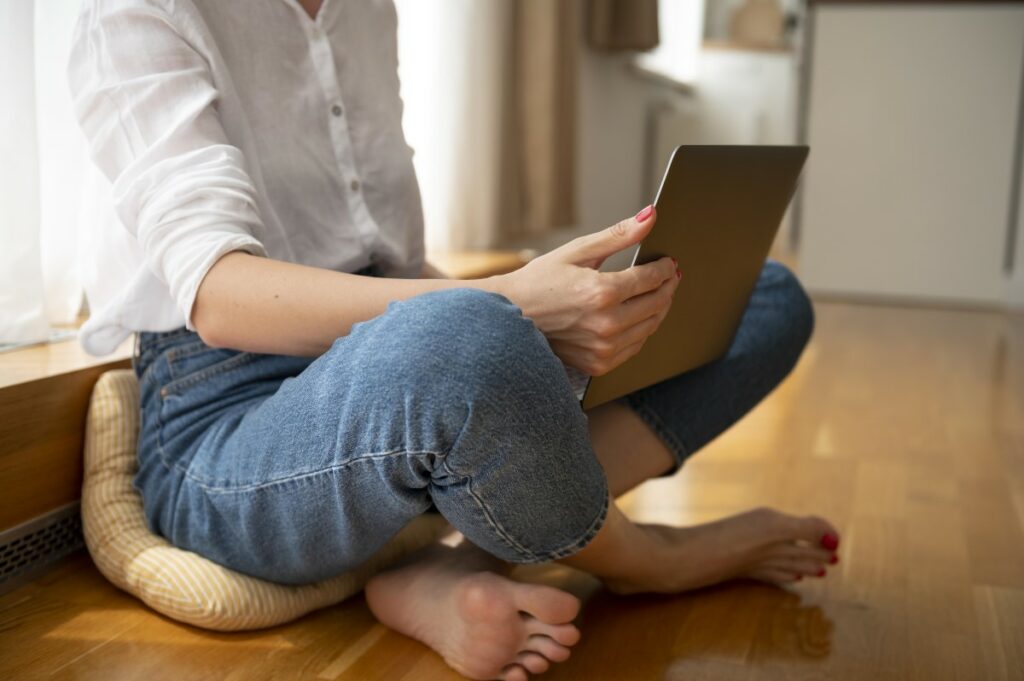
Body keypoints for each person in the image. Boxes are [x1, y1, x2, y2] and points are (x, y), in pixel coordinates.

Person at [69, 1, 840, 679]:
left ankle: (467, 557)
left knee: (761, 295)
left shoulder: (365, 11)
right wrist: (516, 306)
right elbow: (219, 298)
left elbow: (399, 273)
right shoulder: (138, 11)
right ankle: (645, 559)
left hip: (388, 367)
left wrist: (579, 303)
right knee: (468, 334)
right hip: (228, 418)